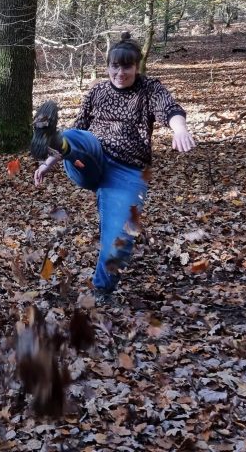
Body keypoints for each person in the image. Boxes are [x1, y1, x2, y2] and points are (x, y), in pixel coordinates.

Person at [30, 32, 195, 298]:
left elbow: (170, 109)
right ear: (107, 66)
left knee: (121, 237)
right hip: (90, 159)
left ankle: (101, 291)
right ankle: (55, 142)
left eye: (126, 66)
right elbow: (79, 127)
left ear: (137, 66)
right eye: (114, 66)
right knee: (74, 138)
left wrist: (180, 130)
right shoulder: (98, 90)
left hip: (128, 171)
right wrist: (49, 163)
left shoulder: (149, 89)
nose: (120, 72)